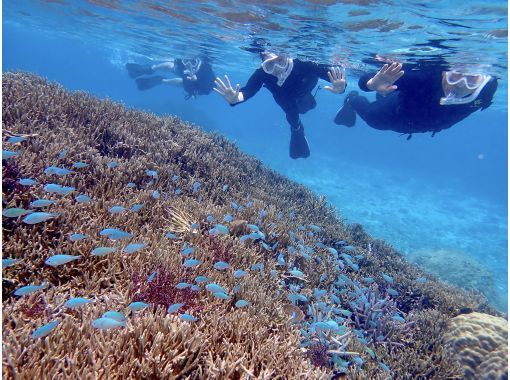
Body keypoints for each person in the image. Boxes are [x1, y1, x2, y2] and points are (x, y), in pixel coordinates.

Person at [213, 52, 347, 159]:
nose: (277, 69)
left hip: (304, 90)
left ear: (287, 56)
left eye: (280, 61)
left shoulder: (304, 63)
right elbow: (249, 90)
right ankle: (297, 130)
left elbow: (332, 76)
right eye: (269, 65)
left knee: (308, 106)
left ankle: (301, 118)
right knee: (293, 117)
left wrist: (341, 88)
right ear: (263, 65)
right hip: (285, 99)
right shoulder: (262, 73)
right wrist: (236, 98)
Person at [334, 61, 498, 139]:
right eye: (453, 77)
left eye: (471, 81)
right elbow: (370, 79)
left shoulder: (486, 91)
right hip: (394, 116)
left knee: (391, 91)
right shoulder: (425, 79)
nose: (459, 86)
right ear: (443, 72)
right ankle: (352, 100)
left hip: (414, 112)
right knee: (372, 119)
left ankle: (385, 94)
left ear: (482, 81)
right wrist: (371, 84)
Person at [126, 58, 216, 99]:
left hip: (203, 80)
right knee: (176, 70)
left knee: (175, 69)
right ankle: (156, 76)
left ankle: (154, 73)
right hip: (202, 79)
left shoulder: (208, 81)